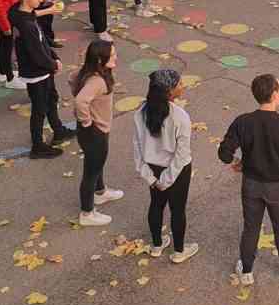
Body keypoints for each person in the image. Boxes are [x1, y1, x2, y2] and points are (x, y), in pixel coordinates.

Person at [218, 74, 279, 285]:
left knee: (251, 227)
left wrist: (237, 161)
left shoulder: (243, 122)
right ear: (275, 94)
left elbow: (224, 152)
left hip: (251, 185)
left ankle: (247, 271)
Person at [133, 69, 199, 263]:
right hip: (177, 172)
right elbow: (181, 154)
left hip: (152, 168)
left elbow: (137, 147)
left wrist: (151, 178)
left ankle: (156, 245)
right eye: (179, 84)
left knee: (156, 204)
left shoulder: (140, 113)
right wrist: (167, 179)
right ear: (169, 92)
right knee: (178, 210)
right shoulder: (180, 117)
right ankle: (179, 251)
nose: (183, 86)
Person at [8, 0, 76, 159]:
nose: (40, 0)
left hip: (41, 69)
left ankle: (58, 130)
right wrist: (53, 64)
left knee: (51, 98)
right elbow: (36, 53)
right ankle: (37, 145)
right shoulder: (27, 25)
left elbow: (41, 42)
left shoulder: (20, 12)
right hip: (36, 72)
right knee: (39, 108)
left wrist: (53, 56)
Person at [71, 40, 121, 227]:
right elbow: (81, 101)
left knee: (97, 163)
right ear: (101, 59)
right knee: (91, 171)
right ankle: (87, 212)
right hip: (95, 132)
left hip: (93, 131)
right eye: (113, 54)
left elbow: (72, 78)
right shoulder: (97, 81)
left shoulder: (90, 73)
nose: (116, 57)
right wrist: (87, 120)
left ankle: (100, 192)